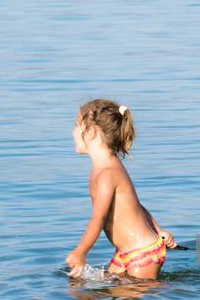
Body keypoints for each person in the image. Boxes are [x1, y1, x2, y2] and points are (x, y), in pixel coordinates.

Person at [65, 99, 176, 279]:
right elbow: (135, 206)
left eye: (77, 125)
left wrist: (81, 251)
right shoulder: (105, 167)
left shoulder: (107, 174)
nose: (73, 131)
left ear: (91, 132)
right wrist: (159, 230)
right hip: (126, 252)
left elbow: (98, 218)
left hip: (142, 252)